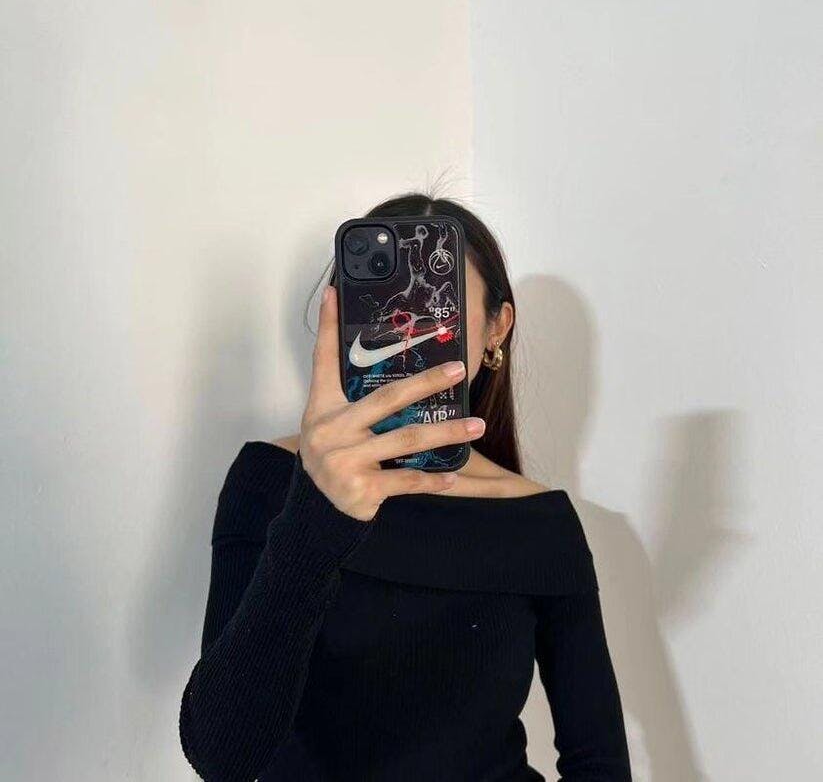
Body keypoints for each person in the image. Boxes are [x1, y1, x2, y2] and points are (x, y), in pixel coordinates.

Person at [178, 194, 632, 781]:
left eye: (438, 305)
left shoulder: (540, 523)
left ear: (496, 327)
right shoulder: (270, 480)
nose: (409, 330)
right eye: (383, 306)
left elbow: (600, 763)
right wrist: (318, 514)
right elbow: (222, 756)